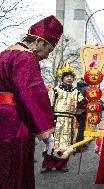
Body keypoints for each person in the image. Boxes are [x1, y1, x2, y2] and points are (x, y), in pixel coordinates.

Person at [0, 15, 63, 189]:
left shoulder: (3, 54)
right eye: (48, 50)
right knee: (15, 169)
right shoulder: (26, 58)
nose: (46, 56)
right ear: (39, 42)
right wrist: (46, 133)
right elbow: (31, 96)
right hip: (14, 122)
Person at [41, 63, 84, 173]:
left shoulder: (76, 92)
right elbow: (48, 106)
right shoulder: (55, 90)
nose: (69, 78)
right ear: (63, 78)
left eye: (71, 77)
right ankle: (48, 164)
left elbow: (82, 106)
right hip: (56, 119)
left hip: (70, 121)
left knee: (66, 143)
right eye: (67, 76)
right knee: (52, 142)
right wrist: (48, 122)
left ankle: (62, 164)